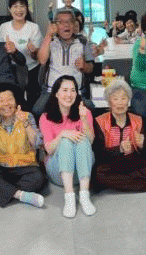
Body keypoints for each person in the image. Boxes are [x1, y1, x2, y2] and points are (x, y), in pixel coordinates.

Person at [0, 82, 46, 208]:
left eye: (10, 99)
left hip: (24, 166)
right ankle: (20, 195)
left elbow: (38, 144)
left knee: (38, 178)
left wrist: (25, 123)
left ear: (16, 101)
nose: (6, 104)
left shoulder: (27, 116)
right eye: (1, 101)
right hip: (0, 167)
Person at [92, 79, 146, 193]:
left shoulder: (138, 119)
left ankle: (119, 181)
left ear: (128, 100)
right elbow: (99, 154)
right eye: (115, 99)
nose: (120, 102)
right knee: (98, 173)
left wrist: (142, 145)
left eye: (124, 98)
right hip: (111, 164)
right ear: (109, 102)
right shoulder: (100, 121)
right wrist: (119, 149)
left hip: (133, 162)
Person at [38, 76, 96, 218]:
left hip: (83, 170)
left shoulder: (85, 112)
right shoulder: (46, 117)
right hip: (59, 172)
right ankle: (69, 196)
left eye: (72, 90)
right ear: (56, 93)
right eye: (64, 90)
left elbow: (90, 141)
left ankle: (84, 195)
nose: (69, 94)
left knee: (82, 140)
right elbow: (49, 149)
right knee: (65, 141)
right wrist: (63, 134)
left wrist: (84, 119)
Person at [33, 9, 95, 116]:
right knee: (37, 111)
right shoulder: (50, 40)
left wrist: (84, 66)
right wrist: (48, 35)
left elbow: (91, 68)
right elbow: (42, 60)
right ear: (55, 25)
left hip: (76, 92)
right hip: (52, 91)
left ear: (74, 24)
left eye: (69, 21)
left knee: (91, 110)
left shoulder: (83, 41)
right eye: (61, 22)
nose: (66, 25)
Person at [0, 0, 43, 111]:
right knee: (14, 102)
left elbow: (39, 57)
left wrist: (33, 51)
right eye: (15, 6)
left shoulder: (34, 28)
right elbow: (0, 52)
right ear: (9, 9)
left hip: (32, 70)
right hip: (11, 71)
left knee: (32, 104)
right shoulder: (4, 27)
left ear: (27, 9)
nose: (19, 10)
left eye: (22, 6)